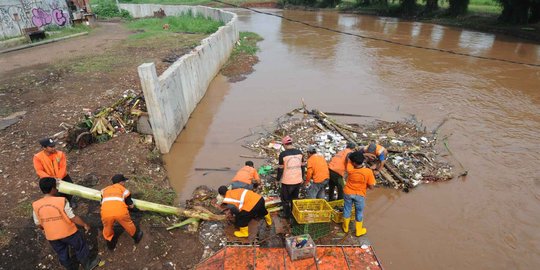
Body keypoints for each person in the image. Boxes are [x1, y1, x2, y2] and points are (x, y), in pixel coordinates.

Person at [32, 177, 99, 270]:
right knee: (80, 246)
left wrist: (45, 229)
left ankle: (70, 268)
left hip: (52, 236)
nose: (57, 188)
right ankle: (88, 265)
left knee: (62, 252)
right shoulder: (61, 200)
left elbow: (38, 223)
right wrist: (84, 225)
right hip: (68, 232)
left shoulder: (36, 205)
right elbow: (72, 217)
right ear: (52, 189)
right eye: (56, 186)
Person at [100, 174, 143, 250]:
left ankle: (110, 245)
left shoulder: (104, 190)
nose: (124, 183)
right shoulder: (125, 191)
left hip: (106, 212)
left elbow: (102, 202)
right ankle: (136, 237)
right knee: (128, 224)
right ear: (121, 182)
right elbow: (131, 206)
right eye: (124, 181)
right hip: (120, 212)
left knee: (107, 227)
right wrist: (137, 210)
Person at [33, 137, 76, 207]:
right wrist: (51, 179)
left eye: (54, 146)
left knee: (70, 189)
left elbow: (63, 167)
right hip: (49, 179)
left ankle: (71, 200)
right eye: (51, 146)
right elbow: (39, 170)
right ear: (44, 148)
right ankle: (62, 205)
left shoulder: (60, 154)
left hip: (62, 176)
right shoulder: (37, 157)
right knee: (56, 193)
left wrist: (58, 178)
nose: (54, 148)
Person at [342, 151, 376, 237]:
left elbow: (348, 157)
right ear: (363, 160)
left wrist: (358, 156)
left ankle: (345, 228)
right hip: (360, 195)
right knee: (359, 212)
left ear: (353, 162)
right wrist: (366, 186)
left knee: (347, 209)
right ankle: (359, 231)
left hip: (348, 193)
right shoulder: (368, 172)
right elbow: (372, 187)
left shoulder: (350, 168)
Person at [276, 135, 304, 219]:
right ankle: (293, 213)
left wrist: (278, 179)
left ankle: (287, 214)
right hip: (298, 180)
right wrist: (302, 177)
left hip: (287, 181)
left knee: (285, 199)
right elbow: (302, 166)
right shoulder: (299, 152)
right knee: (294, 198)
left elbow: (280, 169)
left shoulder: (283, 154)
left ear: (284, 145)